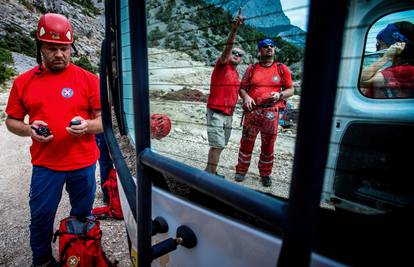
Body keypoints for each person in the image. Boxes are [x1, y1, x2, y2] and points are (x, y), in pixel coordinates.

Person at [5, 13, 102, 267]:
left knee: (82, 214)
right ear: (40, 48)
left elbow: (104, 122)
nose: (59, 54)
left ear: (71, 47)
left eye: (64, 48)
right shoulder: (23, 82)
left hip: (83, 165)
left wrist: (88, 125)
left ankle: (78, 255)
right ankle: (42, 261)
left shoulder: (89, 80)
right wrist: (29, 129)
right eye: (51, 48)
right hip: (46, 166)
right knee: (41, 216)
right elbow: (11, 121)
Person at [234, 38, 294, 187]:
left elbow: (291, 90)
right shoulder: (252, 69)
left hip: (271, 113)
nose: (269, 48)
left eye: (271, 46)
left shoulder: (281, 68)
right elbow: (242, 88)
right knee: (246, 143)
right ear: (259, 50)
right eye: (265, 46)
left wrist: (279, 95)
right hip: (252, 112)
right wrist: (246, 97)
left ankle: (265, 174)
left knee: (268, 145)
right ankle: (241, 171)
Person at [205, 14, 244, 177]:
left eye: (240, 54)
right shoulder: (221, 65)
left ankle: (210, 171)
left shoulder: (236, 74)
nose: (236, 55)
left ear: (242, 60)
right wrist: (234, 29)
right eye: (234, 52)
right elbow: (227, 48)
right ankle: (210, 175)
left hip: (228, 115)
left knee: (220, 145)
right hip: (216, 113)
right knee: (217, 145)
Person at [360, 21, 414, 98]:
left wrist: (385, 57)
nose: (378, 49)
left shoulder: (404, 71)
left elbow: (361, 81)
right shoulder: (402, 69)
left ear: (395, 46)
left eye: (380, 44)